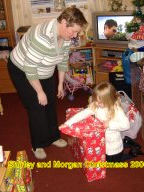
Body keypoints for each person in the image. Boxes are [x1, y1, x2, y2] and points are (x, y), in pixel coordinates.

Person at [7, 7, 88, 159]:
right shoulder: (43, 37)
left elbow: (63, 60)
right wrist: (39, 91)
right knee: (37, 105)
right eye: (74, 31)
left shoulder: (65, 37)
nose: (75, 35)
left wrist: (60, 84)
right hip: (22, 69)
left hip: (44, 69)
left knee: (50, 102)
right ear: (64, 23)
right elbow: (30, 68)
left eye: (77, 32)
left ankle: (53, 136)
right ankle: (38, 144)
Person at [59, 81, 130, 162]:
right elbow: (83, 114)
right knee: (104, 158)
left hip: (114, 145)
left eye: (99, 102)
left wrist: (109, 124)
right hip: (102, 143)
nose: (96, 103)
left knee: (114, 161)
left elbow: (126, 125)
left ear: (108, 100)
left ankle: (132, 152)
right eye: (95, 100)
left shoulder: (116, 110)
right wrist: (67, 123)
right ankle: (127, 142)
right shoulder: (96, 106)